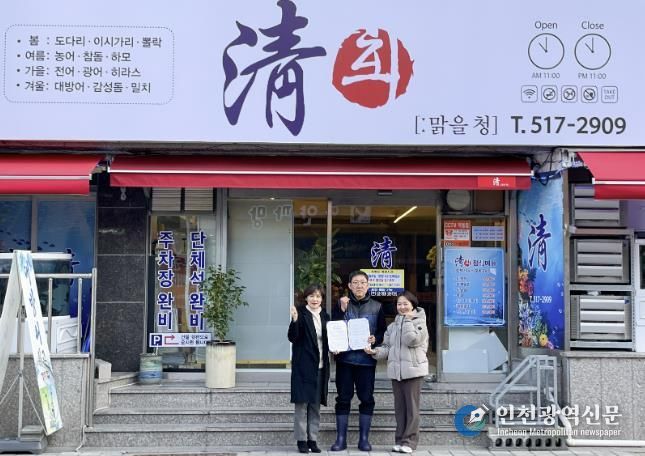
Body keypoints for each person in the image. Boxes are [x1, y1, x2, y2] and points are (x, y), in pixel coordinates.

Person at [366, 290, 429, 454]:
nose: (402, 307)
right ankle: (400, 440)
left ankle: (410, 441)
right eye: (399, 304)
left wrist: (407, 320)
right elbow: (387, 347)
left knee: (412, 409)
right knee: (400, 409)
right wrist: (375, 352)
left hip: (413, 371)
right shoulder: (393, 326)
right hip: (397, 372)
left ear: (413, 305)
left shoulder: (420, 322)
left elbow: (412, 340)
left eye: (405, 304)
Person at [330, 270, 386, 452]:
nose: (359, 285)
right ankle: (341, 440)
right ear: (349, 286)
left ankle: (364, 439)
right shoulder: (341, 304)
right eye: (355, 282)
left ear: (368, 285)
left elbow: (382, 332)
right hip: (345, 360)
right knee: (343, 399)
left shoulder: (377, 306)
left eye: (363, 282)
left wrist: (375, 339)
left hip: (366, 361)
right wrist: (341, 310)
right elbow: (333, 327)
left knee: (367, 398)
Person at [288, 284, 330, 454]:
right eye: (311, 296)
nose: (315, 299)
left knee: (315, 406)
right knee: (301, 406)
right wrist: (294, 320)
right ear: (306, 298)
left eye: (318, 296)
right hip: (303, 368)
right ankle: (301, 440)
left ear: (322, 299)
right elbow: (293, 337)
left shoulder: (325, 316)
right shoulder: (300, 313)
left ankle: (313, 439)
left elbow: (330, 339)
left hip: (320, 367)